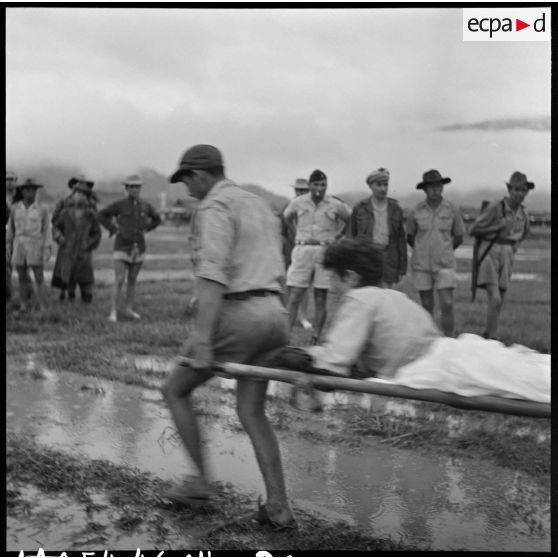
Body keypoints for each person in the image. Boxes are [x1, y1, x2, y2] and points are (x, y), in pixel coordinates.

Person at [162, 144, 295, 529]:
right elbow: (266, 264)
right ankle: (279, 506)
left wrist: (203, 338)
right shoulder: (258, 204)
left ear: (202, 174)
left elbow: (214, 270)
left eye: (187, 178)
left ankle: (200, 484)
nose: (186, 187)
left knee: (175, 389)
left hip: (240, 315)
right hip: (275, 313)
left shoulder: (214, 207)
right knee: (252, 411)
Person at [290, 239, 548, 404]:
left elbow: (334, 364)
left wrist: (299, 361)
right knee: (527, 370)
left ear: (350, 277)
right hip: (453, 350)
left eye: (333, 278)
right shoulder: (393, 296)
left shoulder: (358, 300)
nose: (330, 287)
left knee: (533, 383)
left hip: (435, 366)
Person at [282, 169, 351, 344]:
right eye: (316, 184)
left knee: (321, 296)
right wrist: (295, 234)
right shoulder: (298, 202)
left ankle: (315, 339)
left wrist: (337, 237)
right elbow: (287, 217)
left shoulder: (334, 204)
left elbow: (349, 219)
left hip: (324, 250)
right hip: (303, 249)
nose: (320, 188)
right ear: (310, 186)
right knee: (295, 294)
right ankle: (285, 339)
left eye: (323, 185)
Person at [468, 171, 533, 340]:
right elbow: (473, 230)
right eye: (516, 189)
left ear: (526, 192)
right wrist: (496, 227)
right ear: (509, 190)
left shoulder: (523, 214)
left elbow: (525, 233)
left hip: (508, 255)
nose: (519, 193)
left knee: (500, 299)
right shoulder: (496, 207)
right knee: (495, 299)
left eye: (523, 190)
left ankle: (489, 334)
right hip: (490, 253)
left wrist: (513, 247)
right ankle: (492, 339)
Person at [406, 169, 465, 337]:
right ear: (424, 189)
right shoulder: (416, 210)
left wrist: (444, 250)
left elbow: (459, 236)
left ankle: (448, 338)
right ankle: (430, 340)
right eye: (431, 187)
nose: (435, 189)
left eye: (438, 185)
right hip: (422, 265)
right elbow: (410, 237)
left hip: (445, 264)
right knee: (426, 306)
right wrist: (423, 250)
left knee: (447, 303)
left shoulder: (452, 209)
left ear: (442, 187)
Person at [98, 174, 161, 322]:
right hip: (122, 246)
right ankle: (113, 312)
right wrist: (113, 229)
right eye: (131, 186)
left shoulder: (146, 205)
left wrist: (147, 228)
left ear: (140, 188)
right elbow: (101, 215)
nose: (134, 189)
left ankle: (128, 308)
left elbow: (157, 219)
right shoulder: (119, 204)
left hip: (139, 247)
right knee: (119, 279)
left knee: (132, 279)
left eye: (137, 186)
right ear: (126, 188)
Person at [350, 168, 407, 287]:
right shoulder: (360, 208)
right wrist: (352, 263)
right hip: (366, 258)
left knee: (386, 297)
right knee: (366, 295)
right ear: (371, 186)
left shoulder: (396, 209)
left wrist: (402, 268)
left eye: (385, 185)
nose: (383, 189)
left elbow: (401, 240)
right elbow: (352, 236)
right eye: (379, 185)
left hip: (388, 258)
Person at [51, 181, 102, 304]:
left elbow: (97, 233)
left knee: (86, 281)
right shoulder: (65, 212)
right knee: (69, 278)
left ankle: (87, 301)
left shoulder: (91, 215)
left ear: (87, 198)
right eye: (77, 193)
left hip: (84, 253)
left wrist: (89, 243)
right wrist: (59, 237)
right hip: (67, 250)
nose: (79, 196)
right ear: (73, 195)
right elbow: (56, 227)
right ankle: (71, 300)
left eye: (83, 194)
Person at [6, 178, 52, 312]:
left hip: (35, 245)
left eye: (33, 190)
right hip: (19, 245)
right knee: (21, 277)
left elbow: (46, 230)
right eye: (27, 190)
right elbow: (11, 230)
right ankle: (23, 304)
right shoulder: (15, 208)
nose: (30, 193)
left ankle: (43, 306)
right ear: (23, 191)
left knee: (39, 276)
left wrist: (47, 248)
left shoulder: (42, 209)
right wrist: (8, 246)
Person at [280, 178, 312, 330]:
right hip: (290, 251)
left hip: (306, 252)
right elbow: (282, 233)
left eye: (303, 190)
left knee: (304, 284)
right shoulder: (288, 207)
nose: (300, 193)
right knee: (288, 283)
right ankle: (286, 314)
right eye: (298, 190)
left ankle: (303, 317)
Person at [6, 170, 18, 301]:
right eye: (6, 179)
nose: (8, 182)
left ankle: (27, 293)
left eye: (11, 179)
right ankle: (8, 294)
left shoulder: (21, 198)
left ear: (16, 181)